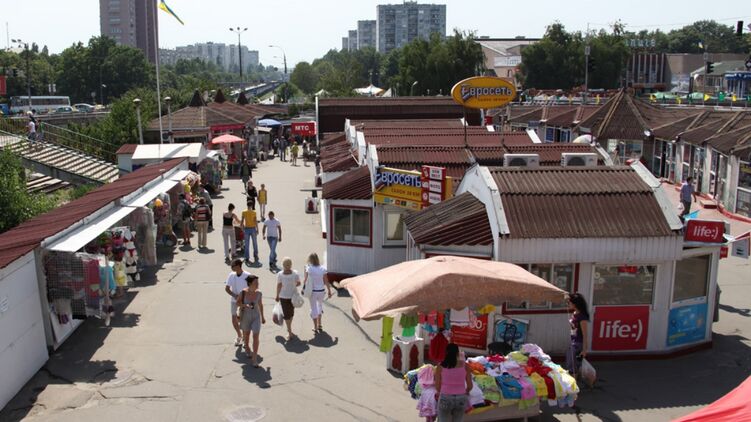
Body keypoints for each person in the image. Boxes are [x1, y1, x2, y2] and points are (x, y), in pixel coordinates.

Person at [433, 343, 472, 422]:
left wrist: (444, 391)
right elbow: (470, 386)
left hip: (445, 397)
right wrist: (466, 391)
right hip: (461, 397)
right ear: (458, 353)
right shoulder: (465, 365)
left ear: (446, 352)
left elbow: (437, 387)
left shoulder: (440, 366)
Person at [237, 274, 265, 366]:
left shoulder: (259, 293)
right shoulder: (243, 292)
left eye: (258, 283)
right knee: (246, 334)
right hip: (246, 317)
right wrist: (245, 305)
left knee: (256, 336)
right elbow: (237, 303)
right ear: (249, 284)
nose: (257, 284)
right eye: (255, 283)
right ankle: (247, 348)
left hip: (256, 317)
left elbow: (260, 305)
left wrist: (263, 317)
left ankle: (254, 358)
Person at [303, 253, 332, 333]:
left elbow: (305, 280)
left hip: (313, 291)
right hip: (321, 291)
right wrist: (329, 291)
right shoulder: (322, 268)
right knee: (319, 306)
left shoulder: (309, 268)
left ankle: (315, 326)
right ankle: (320, 324)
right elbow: (326, 281)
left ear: (310, 260)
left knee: (313, 308)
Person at [225, 259, 250, 347]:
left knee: (243, 321)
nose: (231, 267)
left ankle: (244, 339)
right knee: (234, 319)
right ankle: (239, 335)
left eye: (233, 266)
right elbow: (227, 289)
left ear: (239, 266)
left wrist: (243, 296)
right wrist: (235, 296)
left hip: (244, 301)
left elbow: (252, 288)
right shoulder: (231, 275)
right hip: (234, 301)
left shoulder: (247, 275)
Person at [275, 257, 301, 340]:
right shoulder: (295, 273)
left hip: (285, 297)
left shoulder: (280, 274)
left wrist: (277, 295)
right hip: (291, 296)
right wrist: (293, 285)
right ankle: (289, 331)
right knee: (290, 313)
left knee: (288, 314)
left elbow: (279, 286)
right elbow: (299, 283)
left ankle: (289, 328)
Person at [566, 292, 590, 377]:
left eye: (569, 302)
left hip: (578, 344)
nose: (568, 304)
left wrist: (584, 349)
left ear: (575, 304)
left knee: (573, 367)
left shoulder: (582, 317)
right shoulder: (574, 314)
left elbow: (585, 335)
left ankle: (574, 383)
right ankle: (574, 381)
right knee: (571, 365)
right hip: (573, 342)